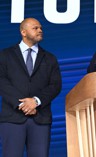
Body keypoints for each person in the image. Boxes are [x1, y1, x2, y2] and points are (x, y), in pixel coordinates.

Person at [0, 18, 62, 157]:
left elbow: (55, 85)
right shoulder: (5, 55)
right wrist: (22, 104)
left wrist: (36, 101)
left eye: (40, 28)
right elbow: (1, 82)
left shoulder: (50, 58)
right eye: (35, 28)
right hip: (12, 118)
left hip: (40, 119)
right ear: (23, 32)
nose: (40, 30)